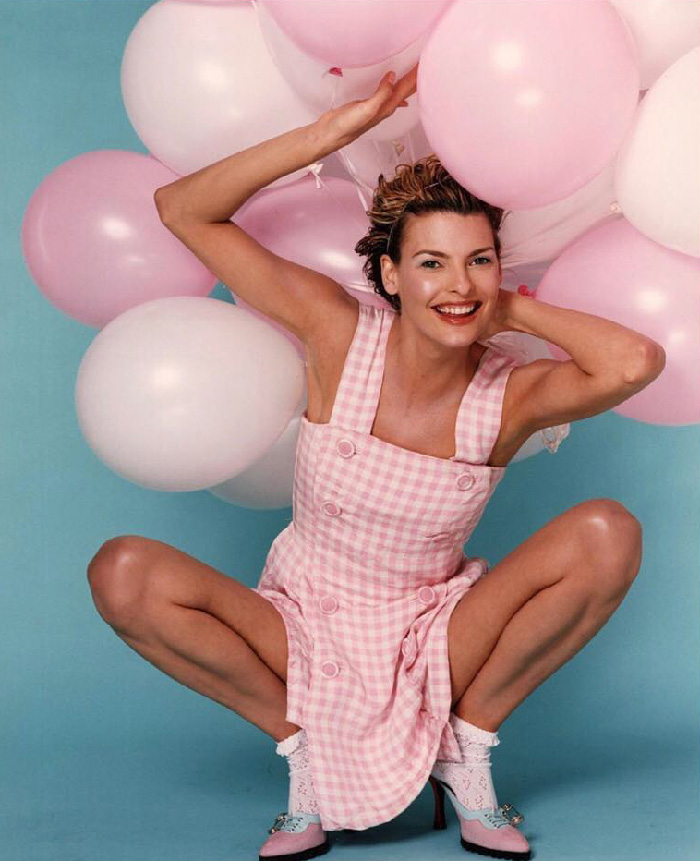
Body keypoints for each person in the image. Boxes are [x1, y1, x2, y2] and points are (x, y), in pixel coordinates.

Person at [87, 66, 665, 861]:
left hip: (431, 638)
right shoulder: (336, 331)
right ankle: (306, 761)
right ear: (390, 275)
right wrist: (331, 135)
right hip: (302, 629)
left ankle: (467, 749)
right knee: (122, 571)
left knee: (609, 531)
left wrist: (512, 305)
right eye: (431, 263)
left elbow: (634, 361)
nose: (456, 285)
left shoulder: (510, 394)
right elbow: (180, 208)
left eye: (478, 261)